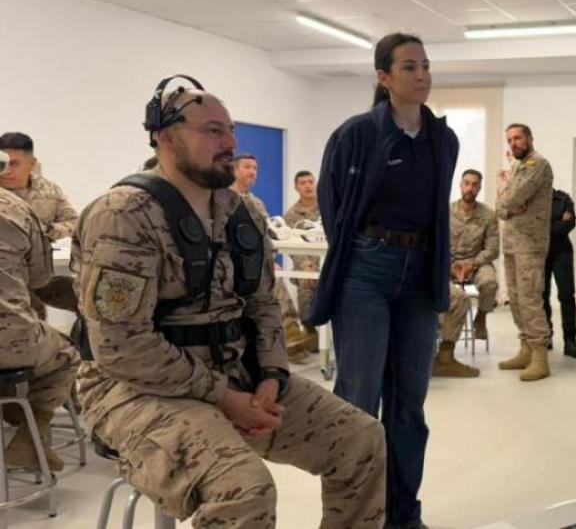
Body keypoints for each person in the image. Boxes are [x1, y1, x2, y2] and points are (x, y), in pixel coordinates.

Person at [72, 82, 385, 527]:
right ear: (165, 137)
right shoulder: (124, 215)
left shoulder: (243, 213)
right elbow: (121, 347)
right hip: (134, 392)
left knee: (362, 440)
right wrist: (224, 396)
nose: (231, 144)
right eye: (213, 131)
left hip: (237, 375)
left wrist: (272, 377)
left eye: (231, 131)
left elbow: (263, 305)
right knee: (245, 490)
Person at [309, 32, 458, 529]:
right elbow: (334, 209)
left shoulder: (443, 139)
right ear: (384, 78)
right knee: (358, 399)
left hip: (419, 274)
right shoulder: (357, 134)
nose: (422, 76)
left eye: (426, 66)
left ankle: (402, 515)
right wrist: (365, 255)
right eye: (410, 67)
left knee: (409, 404)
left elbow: (436, 211)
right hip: (366, 271)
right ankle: (354, 517)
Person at [0, 151, 78, 472]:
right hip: (9, 339)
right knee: (67, 355)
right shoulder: (16, 209)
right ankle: (29, 440)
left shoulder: (50, 192)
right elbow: (40, 278)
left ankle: (17, 412)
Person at [229, 153, 314, 361]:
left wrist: (271, 259)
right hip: (231, 262)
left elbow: (268, 236)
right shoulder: (223, 199)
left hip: (256, 262)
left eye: (255, 168)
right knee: (270, 278)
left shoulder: (256, 203)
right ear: (234, 170)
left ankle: (292, 335)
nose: (252, 172)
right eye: (247, 167)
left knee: (273, 275)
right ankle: (292, 334)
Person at [496, 123, 554, 381]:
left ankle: (540, 356)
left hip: (530, 244)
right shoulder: (517, 166)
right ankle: (526, 348)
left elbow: (511, 198)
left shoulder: (537, 164)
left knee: (530, 299)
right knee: (516, 299)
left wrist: (506, 202)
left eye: (518, 138)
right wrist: (506, 204)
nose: (513, 143)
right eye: (509, 140)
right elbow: (504, 203)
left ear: (530, 138)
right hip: (511, 243)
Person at [433, 169, 498, 378]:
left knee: (489, 283)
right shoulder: (446, 211)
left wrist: (473, 264)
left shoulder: (488, 215)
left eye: (475, 184)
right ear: (460, 185)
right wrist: (450, 266)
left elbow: (492, 249)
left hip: (476, 263)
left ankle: (481, 317)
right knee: (451, 297)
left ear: (479, 187)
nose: (470, 188)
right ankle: (441, 346)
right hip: (448, 264)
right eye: (467, 183)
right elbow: (437, 244)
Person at [0, 132, 79, 242]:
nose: (6, 171)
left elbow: (74, 223)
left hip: (40, 256)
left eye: (14, 164)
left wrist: (46, 230)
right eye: (2, 164)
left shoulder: (49, 190)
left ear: (32, 164)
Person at [543, 189, 576, 359]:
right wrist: (558, 223)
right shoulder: (533, 199)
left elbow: (570, 223)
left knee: (567, 295)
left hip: (562, 252)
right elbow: (531, 227)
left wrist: (545, 227)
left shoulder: (563, 198)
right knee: (541, 295)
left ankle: (570, 340)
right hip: (540, 252)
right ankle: (546, 336)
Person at [282, 170, 321, 346]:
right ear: (296, 187)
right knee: (304, 280)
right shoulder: (291, 215)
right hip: (305, 264)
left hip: (328, 261)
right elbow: (293, 247)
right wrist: (306, 264)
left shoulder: (328, 206)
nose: (307, 186)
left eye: (310, 182)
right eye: (303, 183)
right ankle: (310, 330)